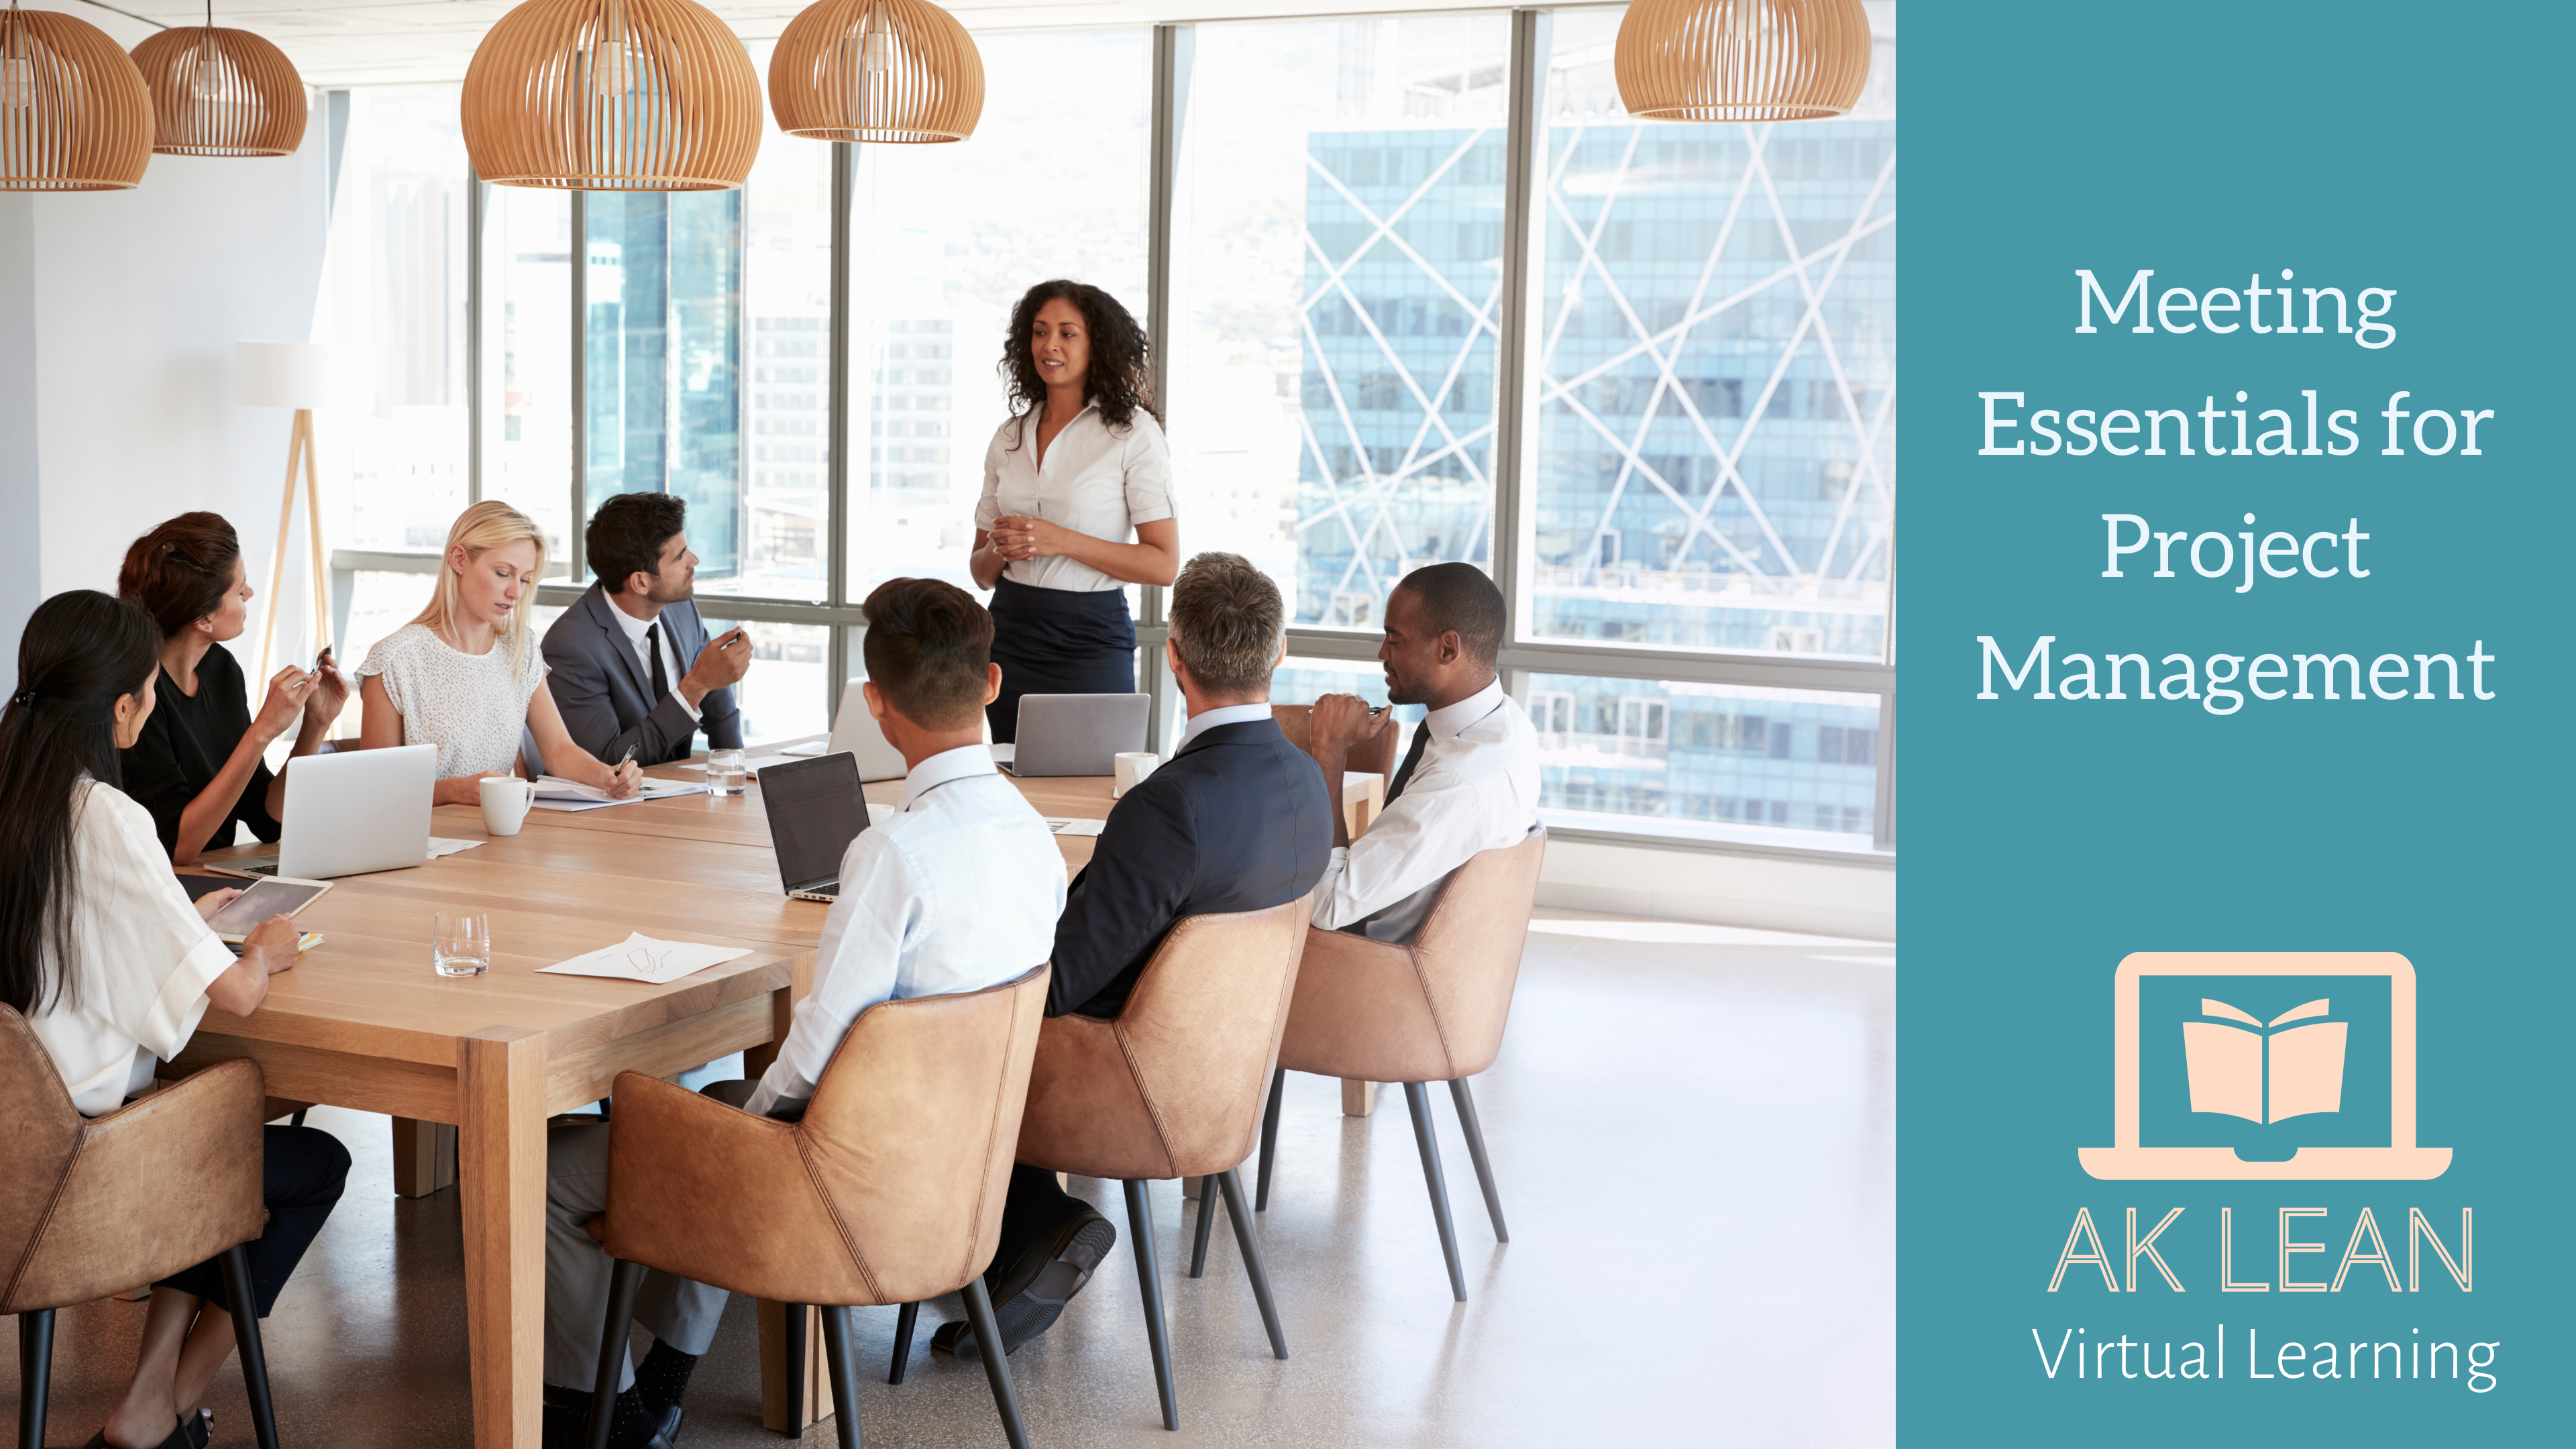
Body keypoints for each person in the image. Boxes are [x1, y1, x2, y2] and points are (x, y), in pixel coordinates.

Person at [537, 578, 1065, 1449]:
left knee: (564, 1163)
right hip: (963, 1168)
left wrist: (743, 1127)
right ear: (994, 684)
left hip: (845, 1180)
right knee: (731, 1111)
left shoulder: (895, 850)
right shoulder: (1033, 837)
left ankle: (611, 1418)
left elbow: (816, 1053)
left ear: (874, 704)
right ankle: (661, 1387)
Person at [936, 551, 1333, 1363]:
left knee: (937, 1022)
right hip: (1222, 1073)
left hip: (1122, 1076)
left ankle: (1036, 1226)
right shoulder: (1304, 778)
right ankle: (1027, 1228)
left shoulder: (1169, 805)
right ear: (1279, 654)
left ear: (1173, 657)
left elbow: (1063, 982)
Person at [0, 590, 350, 1449]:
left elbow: (57, 936)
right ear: (124, 706)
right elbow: (234, 1000)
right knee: (304, 1161)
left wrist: (174, 927)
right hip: (77, 1176)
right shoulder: (107, 817)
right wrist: (263, 949)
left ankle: (152, 1405)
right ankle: (164, 1404)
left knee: (211, 1139)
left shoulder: (17, 794)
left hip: (11, 1157)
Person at [969, 280, 1181, 741]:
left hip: (1091, 639)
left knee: (1094, 784)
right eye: (1040, 332)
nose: (1050, 345)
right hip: (1009, 635)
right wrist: (1002, 548)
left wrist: (1059, 540)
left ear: (1096, 345)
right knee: (1014, 780)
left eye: (1068, 333)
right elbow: (981, 572)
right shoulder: (1009, 437)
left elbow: (1164, 564)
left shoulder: (1133, 434)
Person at [1301, 562, 1540, 941]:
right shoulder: (1508, 724)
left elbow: (1327, 905)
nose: (1382, 653)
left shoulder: (1457, 782)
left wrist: (1329, 753)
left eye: (1395, 641)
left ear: (1447, 648)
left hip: (1363, 965)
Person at [357, 501, 640, 805]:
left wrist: (608, 776)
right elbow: (376, 792)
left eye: (525, 579)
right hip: (425, 842)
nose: (516, 592)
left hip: (501, 834)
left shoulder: (521, 648)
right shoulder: (395, 660)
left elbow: (559, 750)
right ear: (459, 560)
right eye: (503, 573)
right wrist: (454, 791)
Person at [114, 513, 350, 864]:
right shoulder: (138, 697)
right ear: (203, 618)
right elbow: (177, 847)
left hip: (215, 879)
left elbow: (268, 820)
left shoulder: (220, 668)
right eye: (240, 590)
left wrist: (315, 723)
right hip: (170, 890)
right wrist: (261, 733)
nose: (250, 594)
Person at [542, 492, 751, 767]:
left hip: (681, 796)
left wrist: (738, 773)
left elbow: (715, 697)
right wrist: (695, 685)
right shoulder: (569, 647)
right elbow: (608, 764)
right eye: (680, 557)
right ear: (640, 583)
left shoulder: (679, 608)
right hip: (614, 806)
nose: (694, 561)